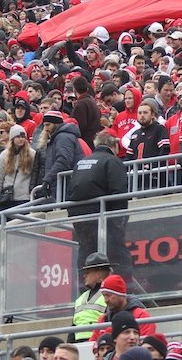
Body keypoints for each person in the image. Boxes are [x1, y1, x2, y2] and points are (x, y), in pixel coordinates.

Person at [67, 130, 131, 279]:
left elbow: (71, 191)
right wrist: (119, 222)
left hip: (80, 219)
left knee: (86, 256)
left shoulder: (81, 162)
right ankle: (123, 290)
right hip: (103, 220)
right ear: (114, 145)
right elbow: (119, 194)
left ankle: (85, 292)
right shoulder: (112, 161)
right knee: (119, 257)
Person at [90, 275, 156, 341]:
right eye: (104, 295)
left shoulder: (141, 316)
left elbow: (146, 346)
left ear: (120, 294)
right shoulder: (103, 319)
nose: (106, 300)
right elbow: (92, 346)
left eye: (108, 295)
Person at [0, 124, 40, 211]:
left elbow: (35, 173)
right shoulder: (4, 155)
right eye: (18, 137)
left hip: (24, 197)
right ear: (12, 138)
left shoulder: (32, 154)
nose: (21, 139)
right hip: (6, 197)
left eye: (23, 137)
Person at [40, 111, 86, 199]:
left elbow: (63, 160)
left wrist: (48, 179)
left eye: (48, 125)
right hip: (63, 185)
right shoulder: (60, 136)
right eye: (44, 125)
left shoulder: (63, 137)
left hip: (66, 186)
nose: (45, 128)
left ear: (56, 124)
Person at [70, 252, 113, 342]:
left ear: (99, 275)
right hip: (78, 346)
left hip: (98, 343)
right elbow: (73, 327)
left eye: (87, 272)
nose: (84, 275)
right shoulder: (80, 298)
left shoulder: (110, 296)